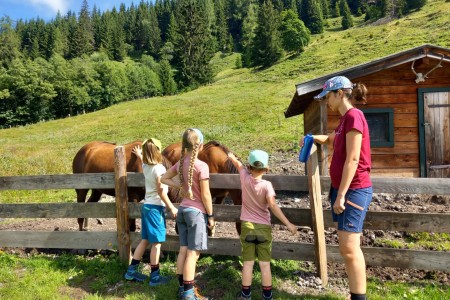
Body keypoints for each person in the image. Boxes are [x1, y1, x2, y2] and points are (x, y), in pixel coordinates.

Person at [305, 76, 372, 300]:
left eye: (327, 97)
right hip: (344, 190)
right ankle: (356, 295)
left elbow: (353, 160)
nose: (325, 102)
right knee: (347, 248)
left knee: (350, 249)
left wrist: (341, 195)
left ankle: (359, 297)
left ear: (339, 94)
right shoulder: (345, 120)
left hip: (353, 190)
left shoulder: (354, 116)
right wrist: (315, 138)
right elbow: (334, 140)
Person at [228, 150, 297, 300]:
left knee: (248, 264)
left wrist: (232, 157)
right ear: (266, 169)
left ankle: (246, 295)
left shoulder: (245, 178)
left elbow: (238, 165)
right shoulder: (267, 185)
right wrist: (288, 224)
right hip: (263, 229)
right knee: (265, 266)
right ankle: (267, 296)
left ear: (249, 167)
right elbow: (272, 205)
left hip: (247, 227)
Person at [161, 128, 215, 300]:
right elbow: (206, 195)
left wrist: (181, 185)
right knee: (193, 254)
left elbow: (163, 178)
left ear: (184, 145)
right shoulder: (202, 166)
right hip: (196, 214)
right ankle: (189, 294)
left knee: (183, 250)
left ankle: (182, 288)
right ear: (200, 147)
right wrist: (211, 216)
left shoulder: (180, 164)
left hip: (183, 211)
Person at [124, 138, 178, 286]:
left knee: (145, 240)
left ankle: (131, 271)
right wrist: (171, 207)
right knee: (157, 243)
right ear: (158, 151)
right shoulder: (159, 168)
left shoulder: (146, 166)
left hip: (147, 207)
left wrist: (140, 155)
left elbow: (144, 162)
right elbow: (161, 191)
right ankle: (155, 277)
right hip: (155, 209)